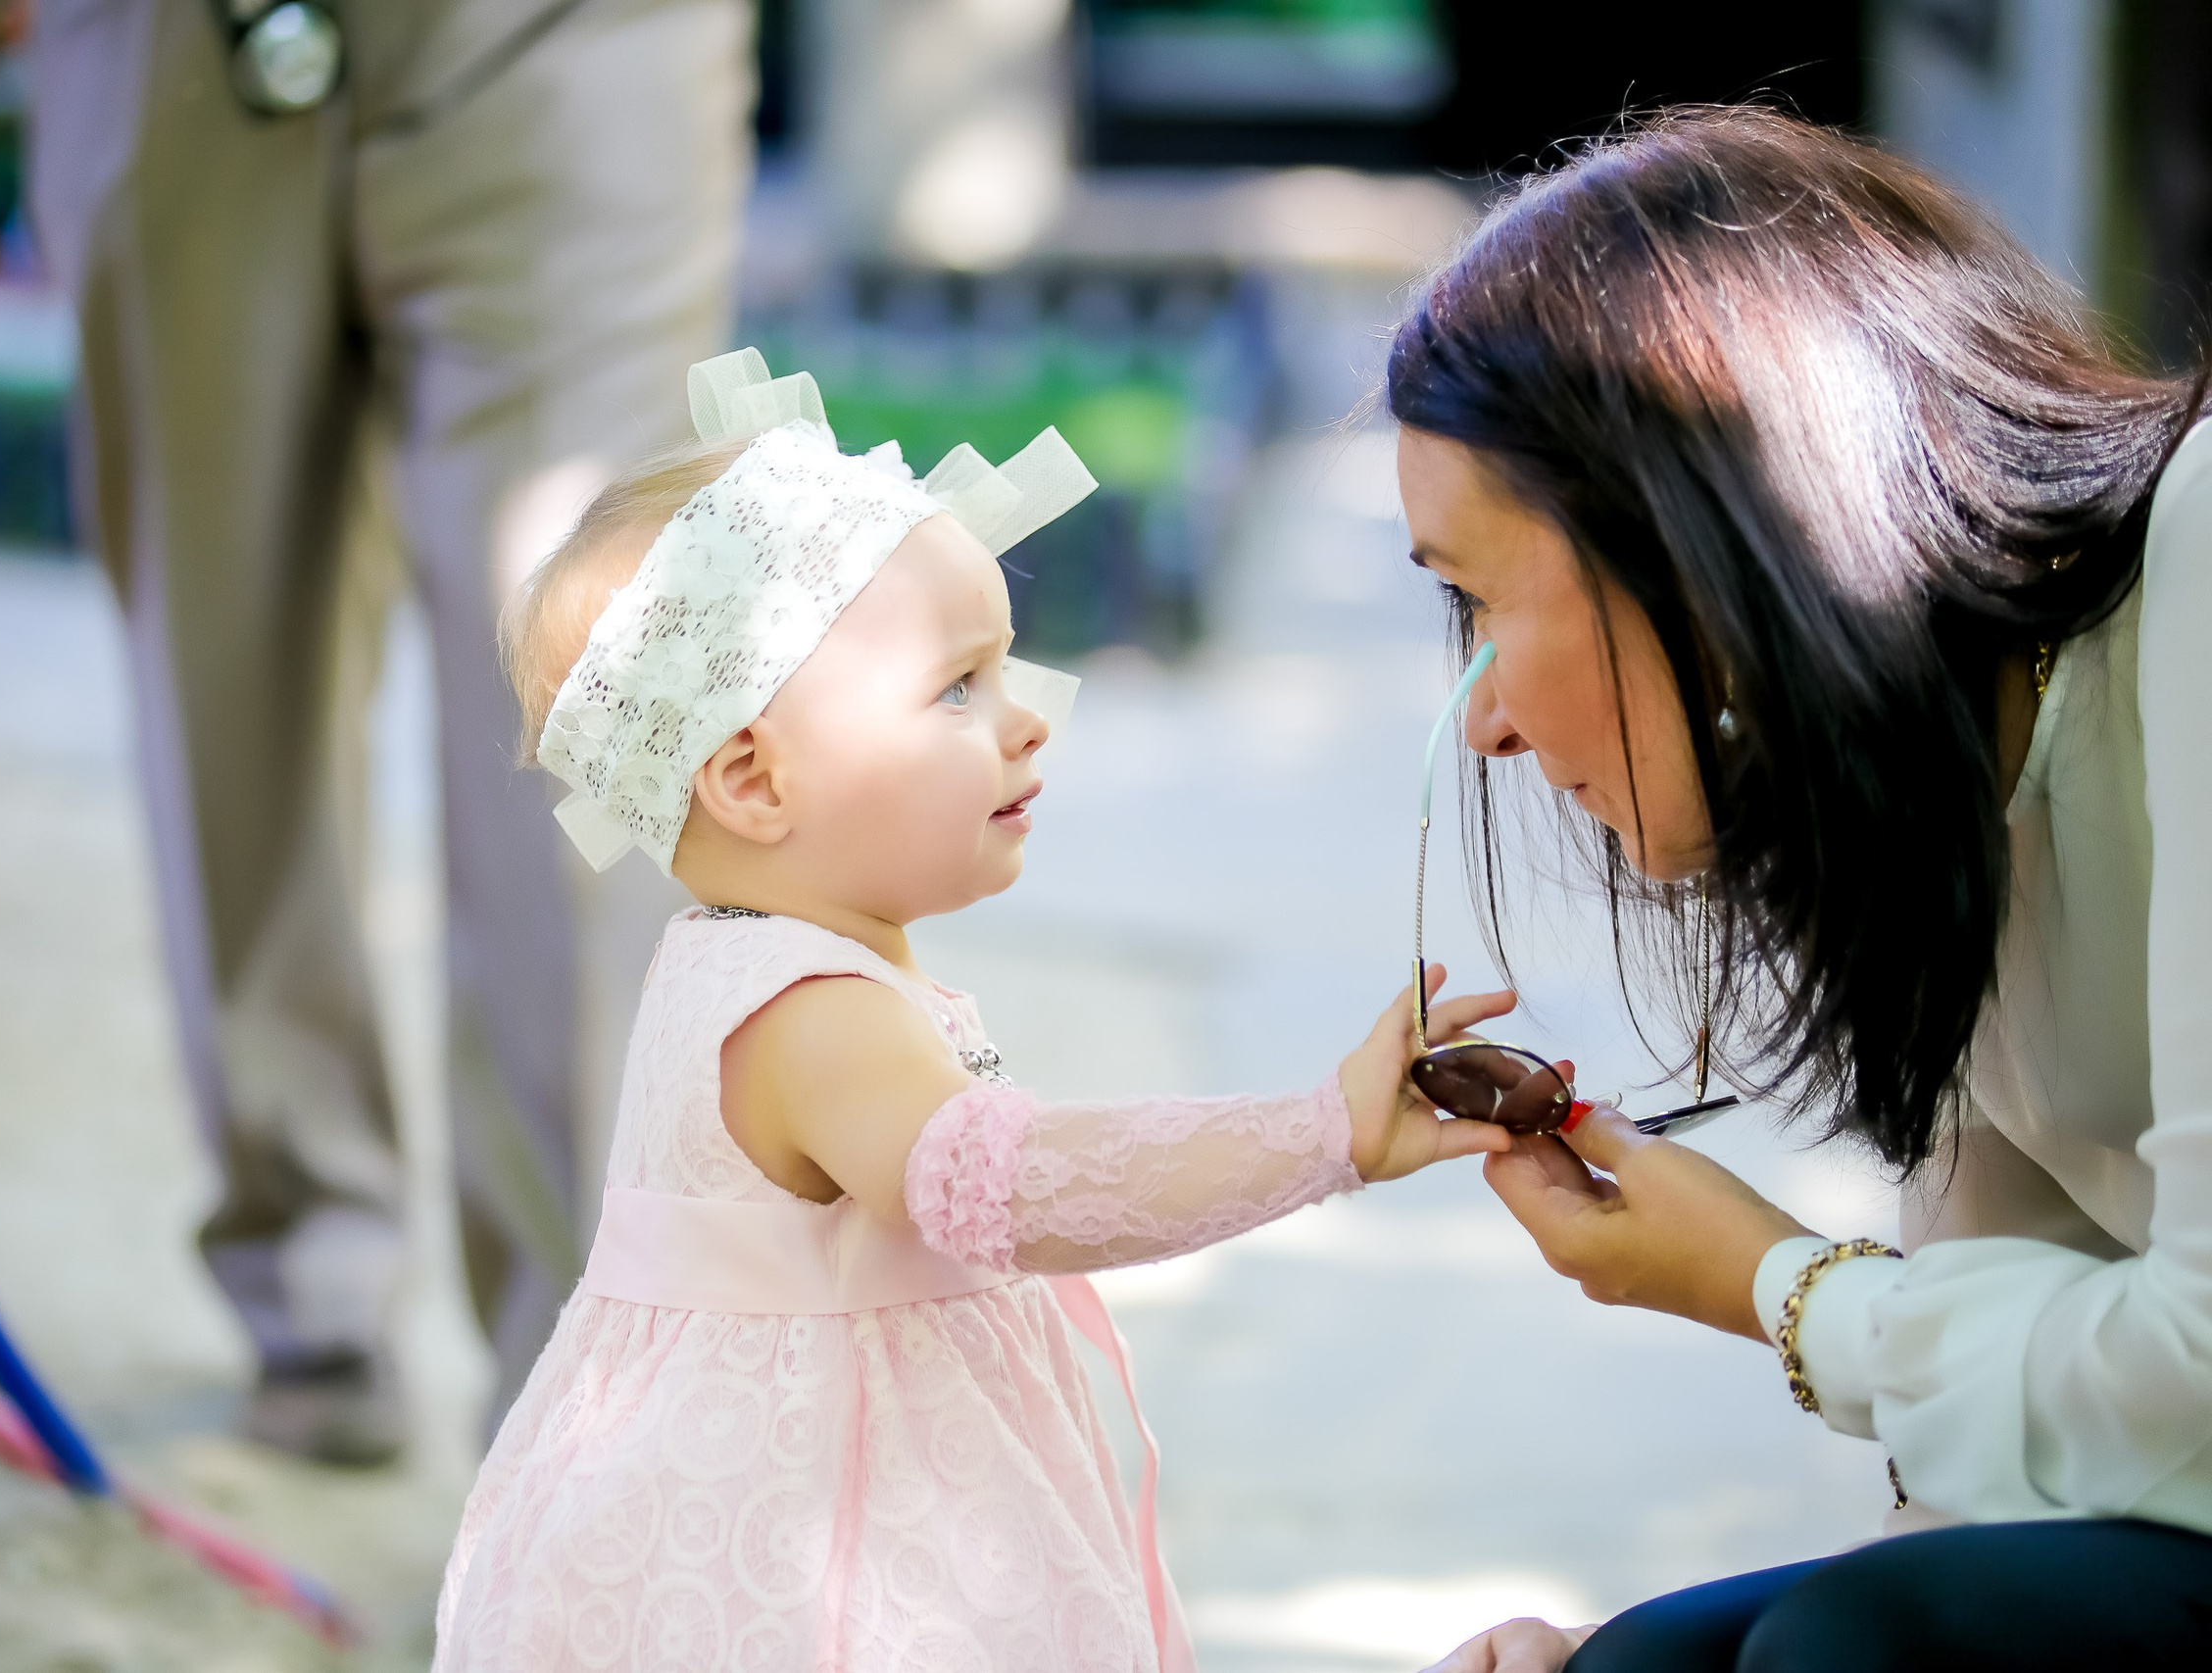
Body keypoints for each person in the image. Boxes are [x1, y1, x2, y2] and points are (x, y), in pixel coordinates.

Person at [430, 351, 1517, 1669]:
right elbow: (1008, 1188)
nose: (1024, 723)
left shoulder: (763, 964)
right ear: (752, 783)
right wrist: (1319, 1133)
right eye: (957, 687)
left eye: (1004, 668)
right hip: (813, 1569)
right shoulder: (805, 1012)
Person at [1390, 110, 2212, 1671]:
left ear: (1691, 540)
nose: (1484, 721)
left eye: (1481, 599)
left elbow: (2194, 1366)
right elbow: (1999, 1486)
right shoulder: (1948, 781)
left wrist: (1777, 1287)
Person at [22, 0, 754, 1461]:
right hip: (168, 42)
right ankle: (310, 1289)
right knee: (224, 687)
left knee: (605, 702)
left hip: (574, 37)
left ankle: (600, 1404)